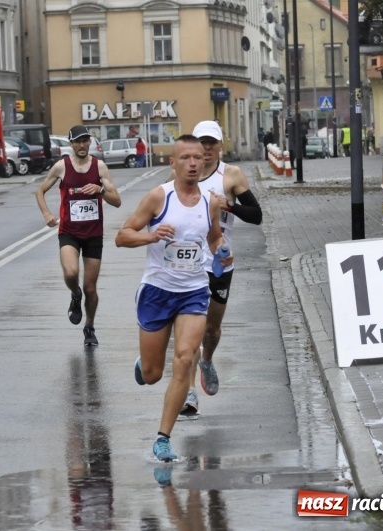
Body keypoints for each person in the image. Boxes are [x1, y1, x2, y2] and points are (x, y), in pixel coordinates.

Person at [115, 134, 231, 462]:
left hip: (193, 293)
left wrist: (222, 252)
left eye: (198, 158)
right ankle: (145, 363)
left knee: (183, 359)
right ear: (173, 163)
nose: (194, 163)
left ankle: (163, 438)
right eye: (186, 158)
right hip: (156, 291)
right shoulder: (158, 198)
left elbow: (214, 237)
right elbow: (122, 236)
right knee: (153, 375)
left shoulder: (211, 201)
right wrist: (151, 235)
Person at [177, 120, 262, 418]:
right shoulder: (182, 174)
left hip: (220, 263)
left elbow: (256, 215)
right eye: (202, 142)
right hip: (187, 264)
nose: (207, 148)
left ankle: (208, 360)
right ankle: (189, 394)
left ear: (220, 146)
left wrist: (229, 205)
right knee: (190, 333)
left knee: (210, 330)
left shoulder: (231, 175)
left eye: (212, 142)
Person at [36, 125, 121, 346]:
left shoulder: (99, 167)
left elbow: (117, 201)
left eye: (85, 141)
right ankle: (75, 294)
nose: (82, 145)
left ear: (89, 143)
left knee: (91, 287)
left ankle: (89, 327)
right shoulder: (61, 167)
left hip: (93, 234)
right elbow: (40, 190)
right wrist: (47, 214)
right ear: (71, 144)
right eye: (77, 142)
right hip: (69, 232)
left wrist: (101, 190)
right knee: (71, 272)